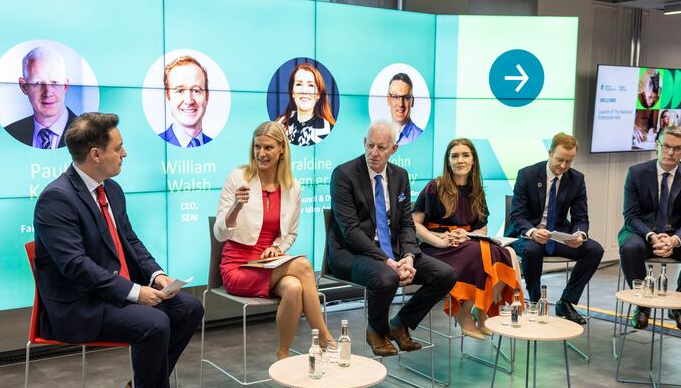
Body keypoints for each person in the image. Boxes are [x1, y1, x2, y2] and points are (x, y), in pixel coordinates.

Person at [33, 112, 203, 388]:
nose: (124, 153)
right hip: (79, 305)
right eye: (119, 147)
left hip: (112, 294)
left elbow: (130, 242)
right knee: (154, 324)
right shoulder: (57, 199)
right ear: (96, 154)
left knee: (188, 309)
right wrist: (135, 293)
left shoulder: (111, 189)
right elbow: (75, 266)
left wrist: (156, 276)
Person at [328, 120, 456, 356]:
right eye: (370, 145)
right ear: (364, 143)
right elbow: (351, 231)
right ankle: (377, 330)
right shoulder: (344, 175)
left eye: (381, 148)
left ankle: (400, 324)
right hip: (352, 253)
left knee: (445, 275)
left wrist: (408, 256)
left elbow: (407, 223)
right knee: (387, 277)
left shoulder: (400, 176)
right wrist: (387, 261)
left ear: (393, 149)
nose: (373, 153)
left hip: (394, 251)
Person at [214, 121, 334, 359]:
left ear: (282, 150)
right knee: (303, 266)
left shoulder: (292, 187)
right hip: (237, 267)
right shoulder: (238, 177)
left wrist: (276, 248)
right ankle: (325, 338)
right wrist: (236, 207)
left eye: (268, 148)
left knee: (294, 287)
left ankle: (283, 354)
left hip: (269, 264)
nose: (261, 153)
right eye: (257, 147)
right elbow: (220, 233)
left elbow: (290, 234)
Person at [413, 139, 520, 338]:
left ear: (473, 161)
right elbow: (414, 224)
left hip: (464, 243)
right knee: (477, 253)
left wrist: (466, 234)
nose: (460, 160)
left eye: (465, 155)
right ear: (448, 161)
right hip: (436, 246)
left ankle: (481, 308)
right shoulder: (435, 186)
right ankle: (464, 312)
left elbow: (481, 229)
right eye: (455, 156)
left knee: (503, 253)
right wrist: (439, 240)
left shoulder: (476, 189)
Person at [619, 125, 681, 332]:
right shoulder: (636, 173)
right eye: (666, 146)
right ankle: (643, 305)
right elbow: (631, 216)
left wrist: (674, 240)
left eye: (677, 148)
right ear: (657, 145)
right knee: (629, 247)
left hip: (678, 236)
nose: (670, 152)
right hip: (643, 233)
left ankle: (679, 307)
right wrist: (652, 236)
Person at [505, 132, 603, 325]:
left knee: (594, 250)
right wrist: (533, 231)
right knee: (532, 250)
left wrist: (580, 234)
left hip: (557, 235)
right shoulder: (527, 174)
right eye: (560, 160)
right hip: (527, 236)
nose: (564, 166)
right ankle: (535, 302)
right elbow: (516, 215)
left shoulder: (576, 179)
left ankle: (566, 302)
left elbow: (581, 216)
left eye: (569, 161)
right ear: (550, 153)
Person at [5, 46, 77, 149]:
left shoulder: (91, 133)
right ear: (24, 86)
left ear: (65, 85)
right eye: (37, 83)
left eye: (55, 82)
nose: (48, 92)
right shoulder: (11, 132)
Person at [276, 63, 335, 146]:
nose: (304, 90)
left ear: (318, 94)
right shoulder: (279, 125)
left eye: (311, 85)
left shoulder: (328, 130)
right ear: (292, 92)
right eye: (299, 84)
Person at [160, 55, 212, 148]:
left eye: (196, 91)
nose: (189, 101)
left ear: (207, 96)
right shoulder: (157, 144)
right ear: (167, 96)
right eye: (180, 91)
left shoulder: (218, 146)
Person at [387, 72, 423, 145]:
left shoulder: (420, 136)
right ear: (388, 99)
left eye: (406, 98)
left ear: (412, 101)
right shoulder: (379, 135)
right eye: (396, 97)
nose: (401, 104)